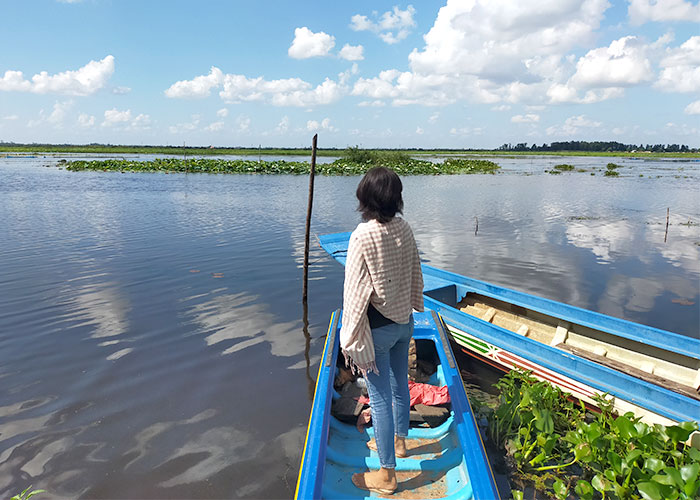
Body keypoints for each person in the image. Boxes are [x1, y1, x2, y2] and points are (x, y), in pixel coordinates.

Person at [340, 166, 424, 495]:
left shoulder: (362, 235)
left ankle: (387, 475)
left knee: (380, 400)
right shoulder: (404, 228)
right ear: (396, 198)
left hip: (379, 332)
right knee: (400, 386)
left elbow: (355, 292)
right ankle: (400, 443)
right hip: (405, 323)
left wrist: (350, 336)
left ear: (365, 197)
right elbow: (415, 270)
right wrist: (414, 304)